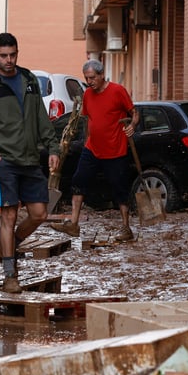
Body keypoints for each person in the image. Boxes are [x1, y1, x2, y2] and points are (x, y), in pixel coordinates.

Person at [0, 32, 60, 294]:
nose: (9, 60)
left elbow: (41, 117)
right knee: (8, 216)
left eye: (13, 55)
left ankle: (12, 244)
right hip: (4, 161)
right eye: (3, 56)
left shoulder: (29, 79)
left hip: (30, 159)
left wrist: (52, 147)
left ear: (17, 53)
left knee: (39, 214)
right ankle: (10, 275)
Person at [50, 59, 139, 242]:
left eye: (92, 78)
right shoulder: (88, 95)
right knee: (78, 180)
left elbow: (134, 112)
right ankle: (74, 224)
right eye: (86, 78)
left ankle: (126, 228)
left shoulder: (118, 91)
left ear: (101, 74)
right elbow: (87, 119)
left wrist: (133, 125)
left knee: (119, 189)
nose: (89, 81)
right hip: (92, 149)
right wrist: (86, 141)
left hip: (115, 150)